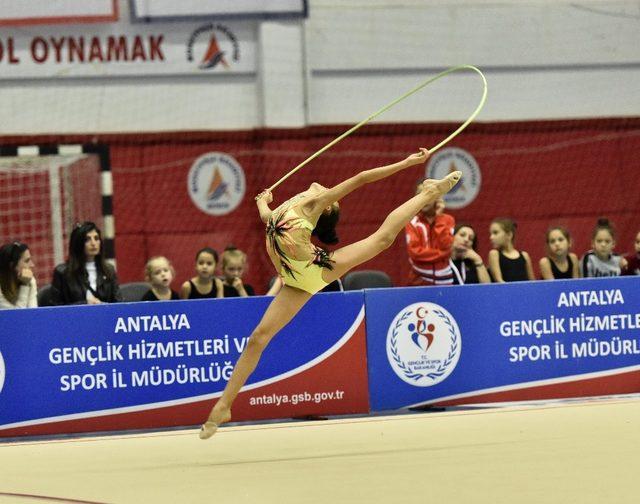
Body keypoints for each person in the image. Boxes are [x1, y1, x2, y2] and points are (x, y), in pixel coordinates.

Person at [199, 148, 461, 439]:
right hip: (295, 279)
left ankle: (428, 193)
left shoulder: (313, 204)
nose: (323, 188)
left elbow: (362, 178)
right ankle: (225, 405)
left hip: (315, 269)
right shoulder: (290, 205)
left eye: (329, 195)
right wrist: (263, 203)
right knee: (258, 338)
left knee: (382, 239)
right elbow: (268, 219)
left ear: (325, 208)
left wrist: (408, 163)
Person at [50, 222, 122, 305]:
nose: (93, 243)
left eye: (96, 238)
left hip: (105, 317)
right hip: (75, 318)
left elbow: (119, 304)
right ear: (78, 243)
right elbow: (55, 308)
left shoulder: (109, 270)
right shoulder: (62, 272)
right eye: (87, 239)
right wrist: (84, 304)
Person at [405, 183, 455, 286]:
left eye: (429, 193)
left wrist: (439, 218)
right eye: (420, 194)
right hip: (418, 281)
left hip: (445, 280)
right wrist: (441, 254)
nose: (425, 198)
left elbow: (446, 246)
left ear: (437, 197)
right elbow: (415, 253)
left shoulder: (448, 220)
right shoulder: (411, 221)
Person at [487, 218, 535, 282]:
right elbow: (499, 281)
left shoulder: (524, 255)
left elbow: (532, 281)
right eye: (491, 234)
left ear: (509, 235)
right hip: (505, 291)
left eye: (495, 233)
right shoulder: (494, 254)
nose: (491, 237)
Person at [0, 241, 37, 309]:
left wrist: (26, 284)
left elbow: (33, 313)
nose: (32, 265)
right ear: (12, 266)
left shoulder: (30, 280)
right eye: (27, 261)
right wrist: (25, 286)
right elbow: (17, 317)